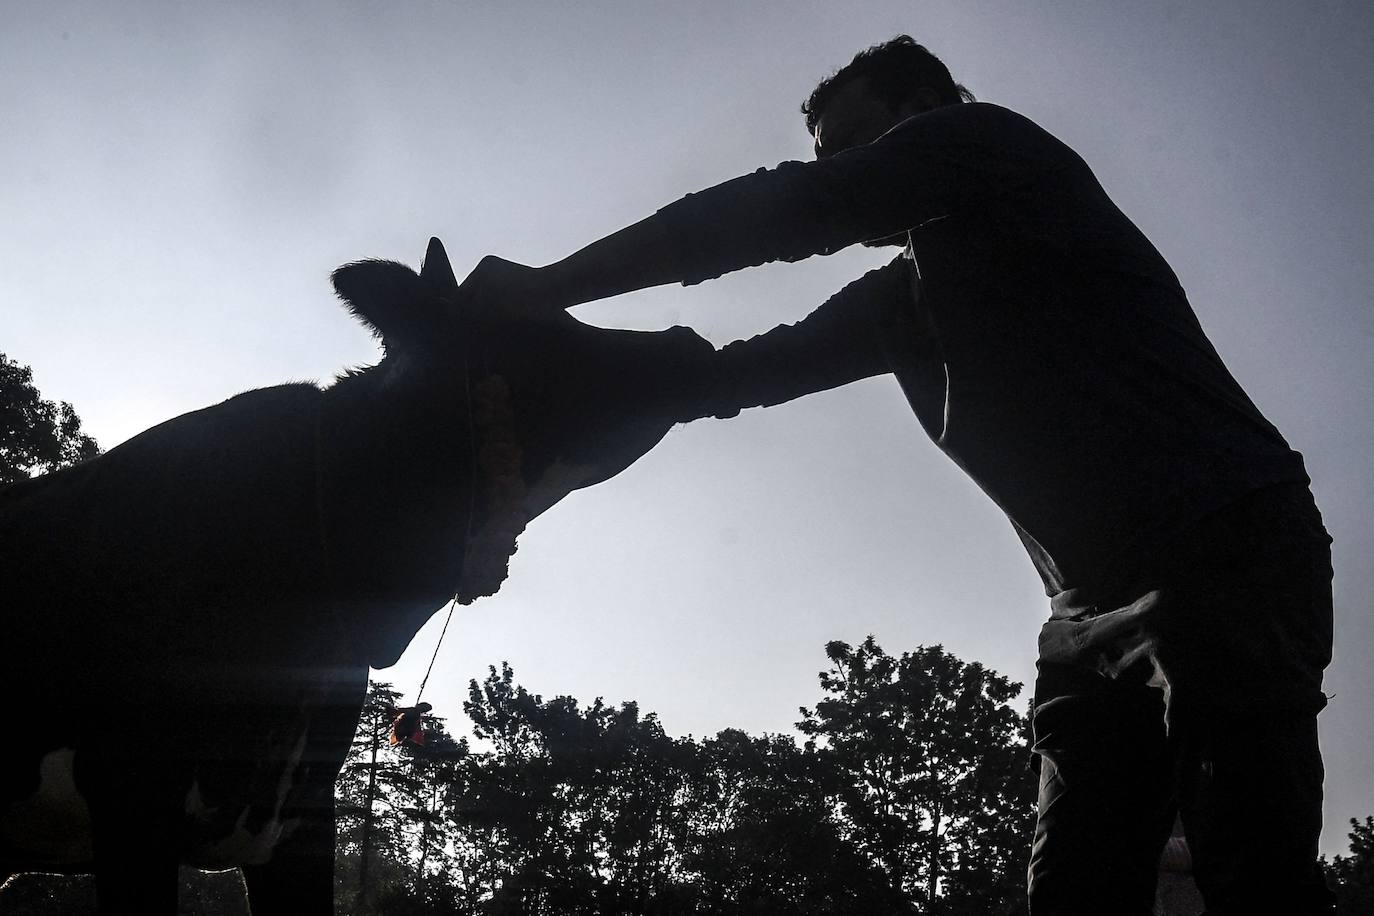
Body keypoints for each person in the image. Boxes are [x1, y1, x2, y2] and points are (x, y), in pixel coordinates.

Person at [455, 36, 1335, 915]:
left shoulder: (992, 144)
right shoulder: (900, 302)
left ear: (924, 111)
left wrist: (553, 283)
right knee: (1072, 891)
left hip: (1225, 541)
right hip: (1083, 619)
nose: (843, 168)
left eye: (856, 143)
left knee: (1254, 875)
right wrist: (547, 387)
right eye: (830, 155)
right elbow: (730, 376)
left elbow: (795, 207)